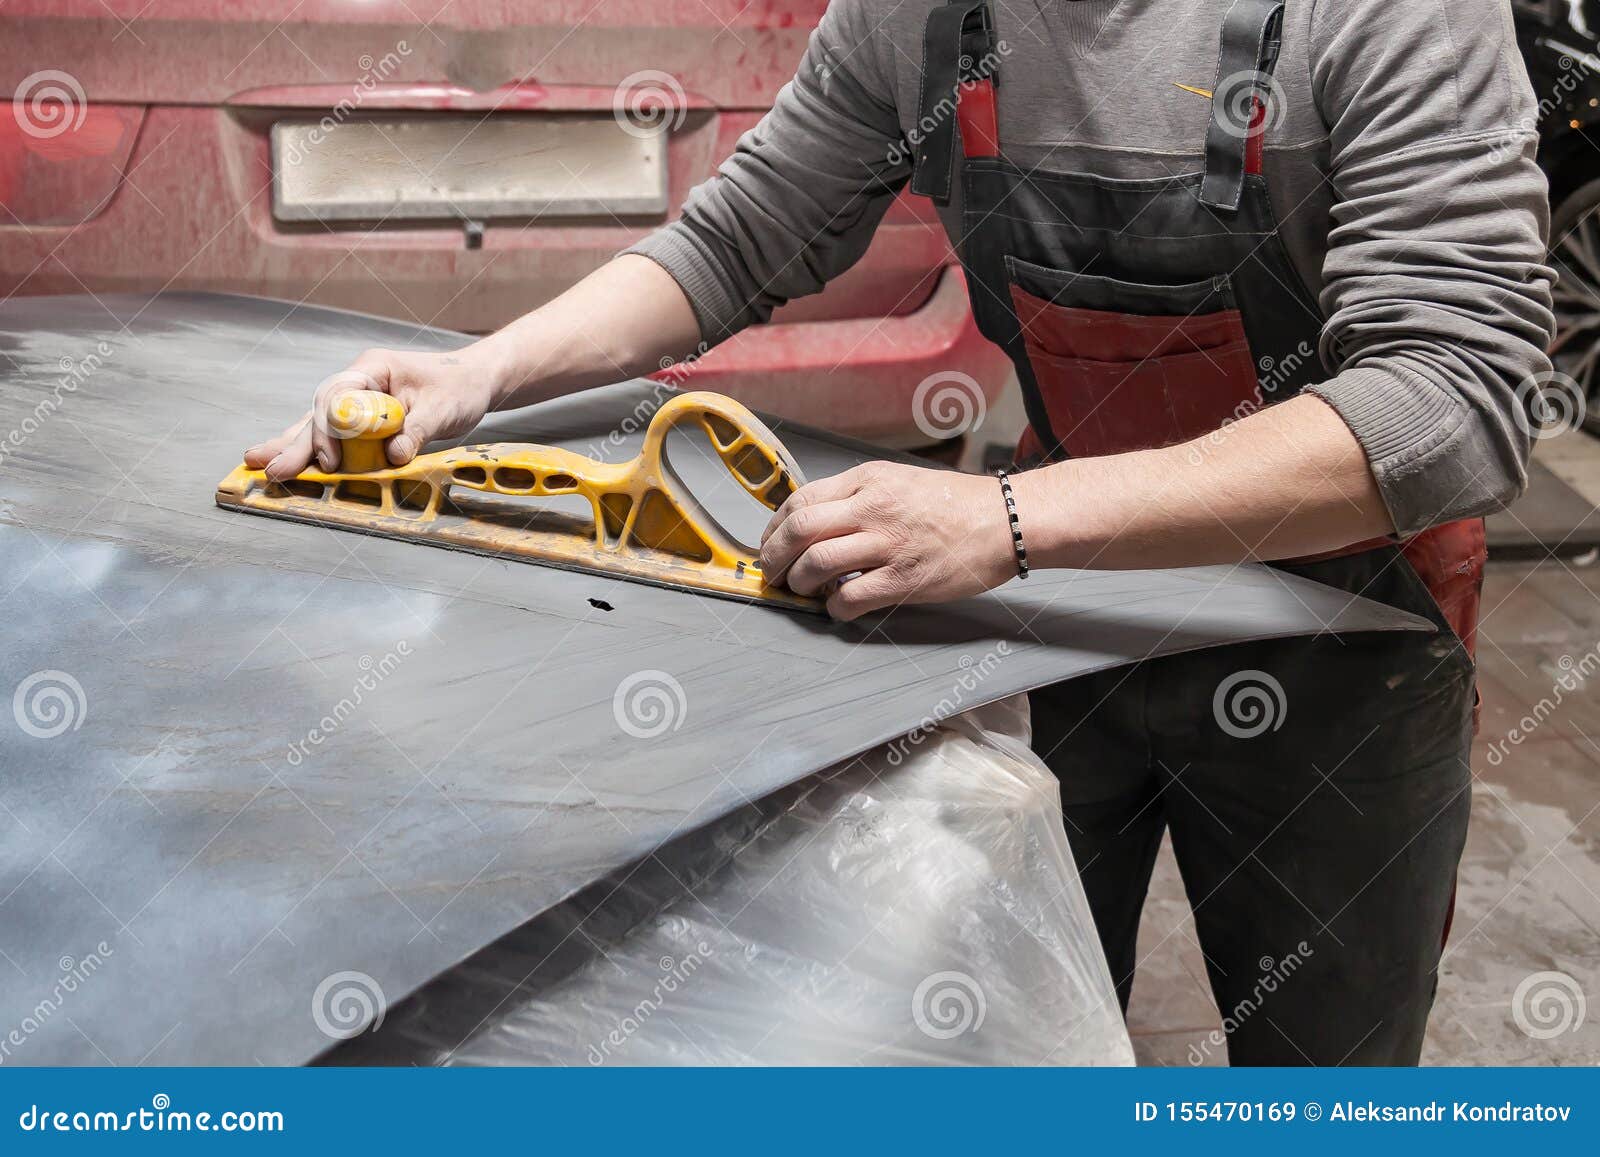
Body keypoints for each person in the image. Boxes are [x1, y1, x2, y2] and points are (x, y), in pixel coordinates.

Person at [246, 0, 1555, 1064]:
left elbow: (1457, 402)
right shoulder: (923, 15)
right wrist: (484, 372)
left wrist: (1003, 519)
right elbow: (741, 235)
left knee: (1332, 1073)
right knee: (1003, 1023)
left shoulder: (1391, 16)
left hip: (1342, 622)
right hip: (1067, 614)